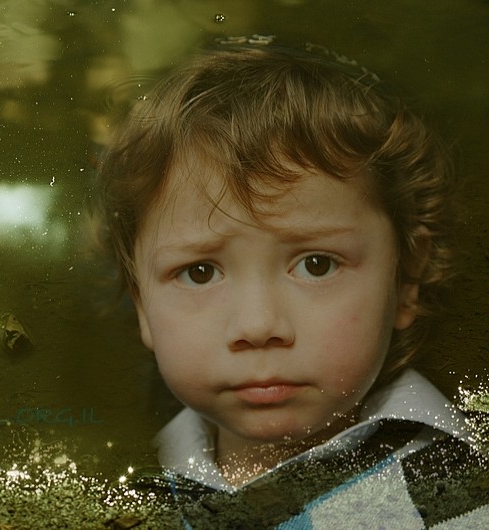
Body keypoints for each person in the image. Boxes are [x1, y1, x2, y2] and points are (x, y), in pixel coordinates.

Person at [95, 38, 488, 527]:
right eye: (199, 272)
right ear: (141, 304)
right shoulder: (128, 481)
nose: (259, 325)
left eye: (317, 265)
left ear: (406, 277)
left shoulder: (452, 491)